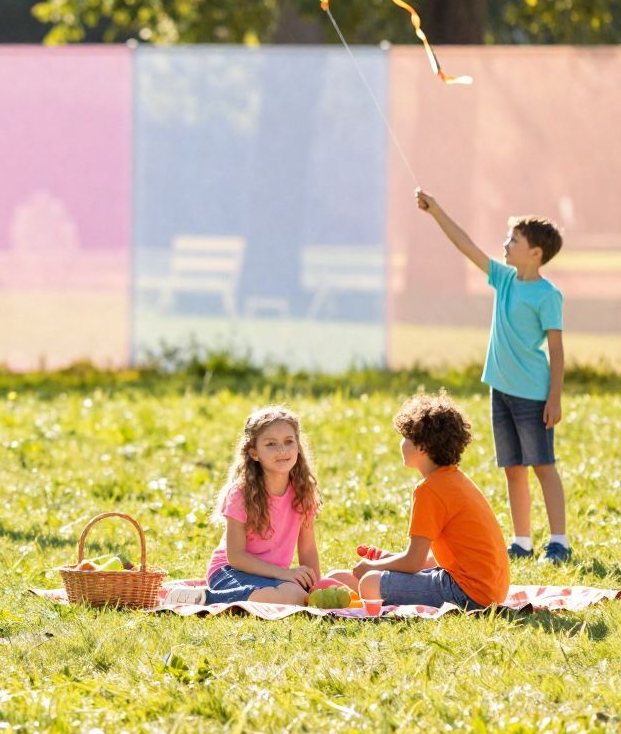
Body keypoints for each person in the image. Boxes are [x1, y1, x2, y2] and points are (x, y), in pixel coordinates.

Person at [417, 189, 569, 563]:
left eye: (514, 240)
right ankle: (522, 541)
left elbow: (557, 350)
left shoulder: (548, 295)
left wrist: (554, 398)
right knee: (512, 469)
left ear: (535, 252)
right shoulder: (503, 279)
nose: (505, 244)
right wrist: (436, 210)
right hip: (499, 390)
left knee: (542, 467)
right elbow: (466, 245)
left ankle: (559, 542)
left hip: (532, 394)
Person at [327, 392, 509, 611]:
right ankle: (351, 584)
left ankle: (369, 586)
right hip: (490, 591)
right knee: (354, 578)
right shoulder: (456, 479)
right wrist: (389, 560)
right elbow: (436, 559)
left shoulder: (429, 490)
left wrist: (374, 566)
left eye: (406, 438)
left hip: (468, 594)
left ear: (423, 447)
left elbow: (413, 562)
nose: (402, 443)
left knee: (370, 582)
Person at [169, 406, 321, 606]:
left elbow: (308, 550)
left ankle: (277, 592)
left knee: (303, 593)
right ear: (254, 453)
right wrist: (284, 574)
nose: (282, 450)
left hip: (272, 577)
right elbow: (236, 556)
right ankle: (206, 598)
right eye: (271, 444)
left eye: (288, 441)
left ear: (298, 447)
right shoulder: (241, 494)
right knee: (291, 596)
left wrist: (317, 588)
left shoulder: (302, 492)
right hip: (229, 573)